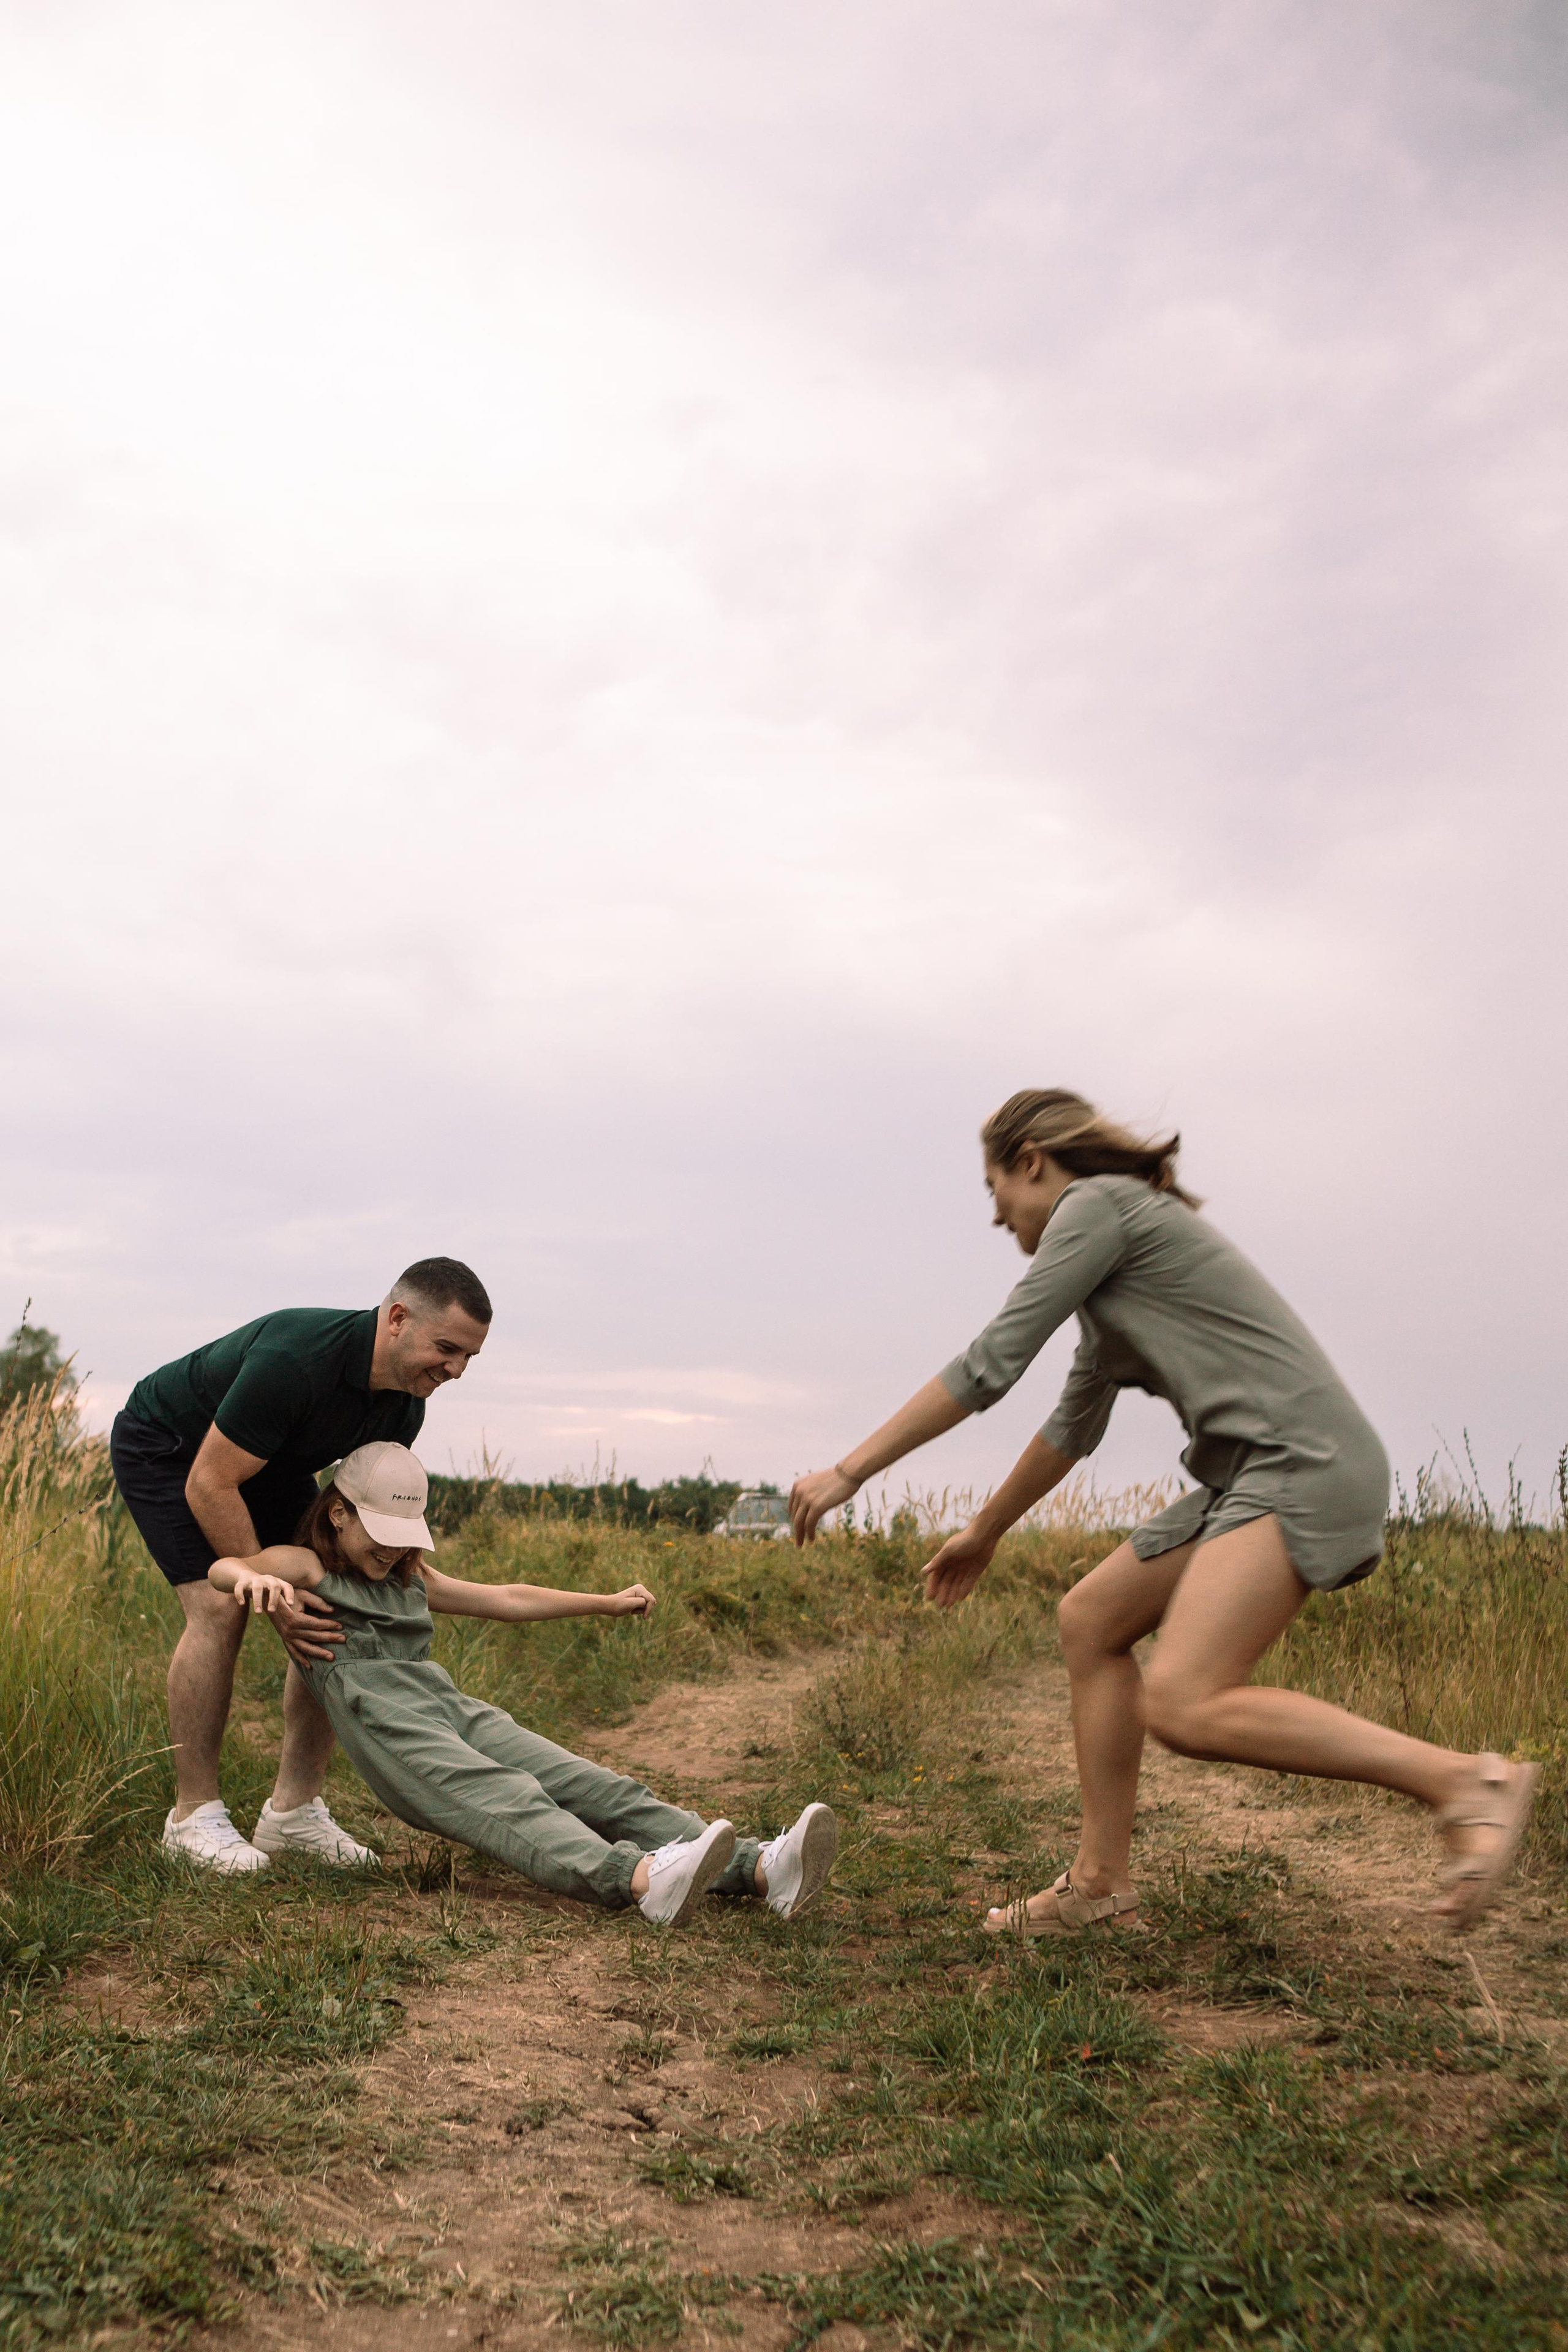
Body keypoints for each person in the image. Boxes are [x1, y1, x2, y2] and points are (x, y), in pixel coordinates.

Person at [790, 1089, 1536, 1937]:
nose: (998, 1217)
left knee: (1186, 1702)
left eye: (996, 1190)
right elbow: (1072, 1428)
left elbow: (990, 1365)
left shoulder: (1096, 1207)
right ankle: (1100, 1884)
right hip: (1256, 1472)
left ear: (1031, 1160)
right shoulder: (1112, 1272)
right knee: (1093, 1618)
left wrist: (851, 1470)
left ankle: (1462, 1781)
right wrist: (985, 1531)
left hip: (1301, 1462)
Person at [209, 1441, 839, 1924]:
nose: (395, 1552)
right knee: (510, 1796)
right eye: (384, 1535)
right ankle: (643, 1881)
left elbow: (506, 1597)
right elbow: (223, 1566)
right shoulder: (308, 1568)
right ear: (339, 1513)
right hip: (389, 1725)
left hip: (444, 1704)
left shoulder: (408, 1579)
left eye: (407, 1540)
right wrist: (249, 1580)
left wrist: (603, 1602)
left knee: (594, 1785)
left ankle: (759, 1867)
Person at [110, 1258, 492, 1874]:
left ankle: (293, 1814)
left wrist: (340, 1583)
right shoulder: (296, 1362)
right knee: (220, 1606)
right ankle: (191, 1817)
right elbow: (211, 1483)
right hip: (172, 1450)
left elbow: (360, 1508)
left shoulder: (404, 1406)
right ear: (397, 1319)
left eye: (469, 1357)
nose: (455, 1370)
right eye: (446, 1348)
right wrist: (275, 1598)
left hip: (268, 1466)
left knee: (338, 1602)